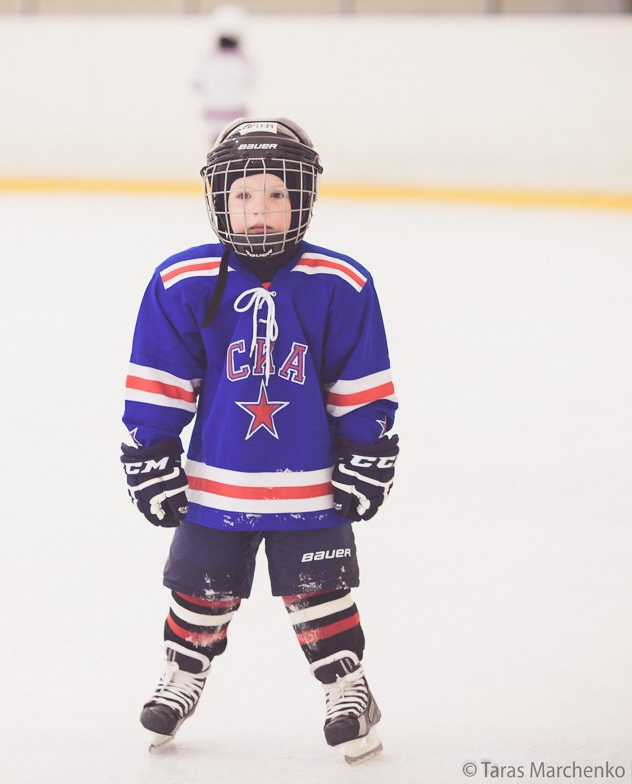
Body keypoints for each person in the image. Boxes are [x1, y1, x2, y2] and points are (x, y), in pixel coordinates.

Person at [119, 117, 399, 765]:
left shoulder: (341, 282)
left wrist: (369, 453)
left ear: (301, 199)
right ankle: (183, 675)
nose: (260, 211)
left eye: (276, 194)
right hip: (218, 481)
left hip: (312, 484)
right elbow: (160, 379)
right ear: (221, 199)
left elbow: (360, 380)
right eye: (244, 195)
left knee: (320, 593)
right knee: (199, 587)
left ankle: (350, 690)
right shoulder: (180, 281)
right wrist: (149, 456)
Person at [191, 9, 254, 144]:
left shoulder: (207, 58)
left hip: (214, 111)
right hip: (235, 112)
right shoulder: (243, 59)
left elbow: (196, 83)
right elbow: (249, 81)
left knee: (216, 144)